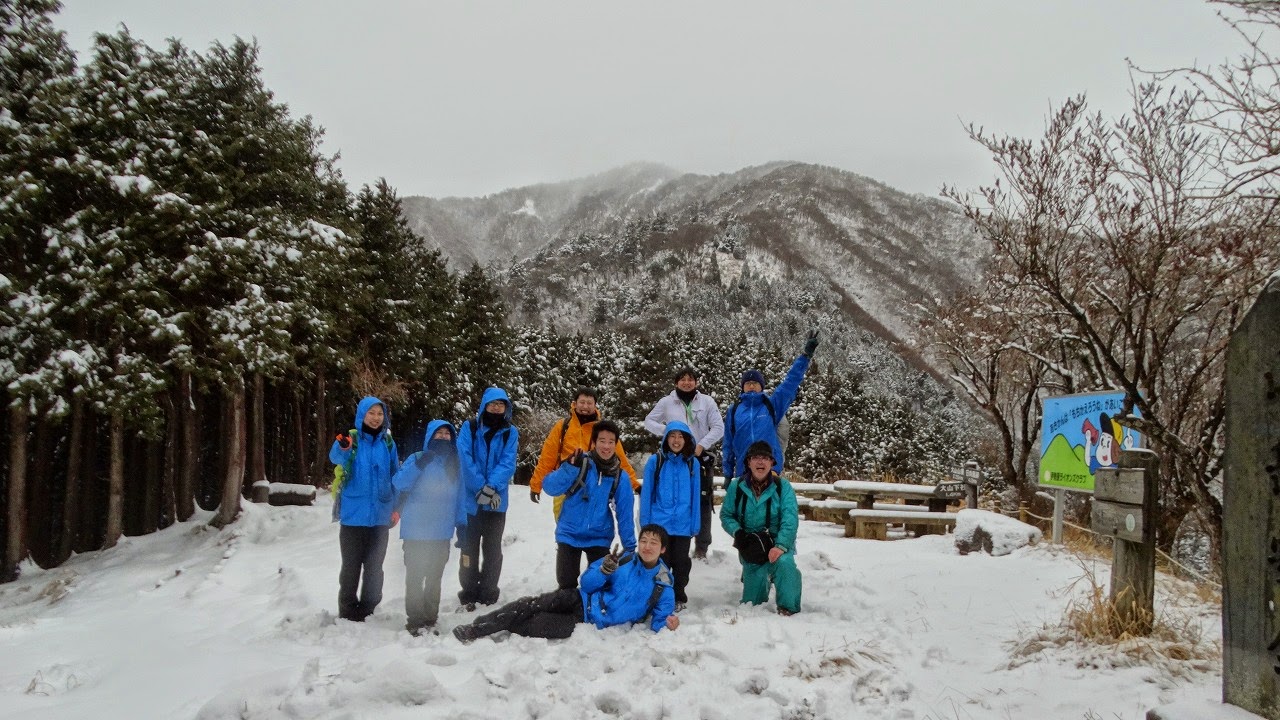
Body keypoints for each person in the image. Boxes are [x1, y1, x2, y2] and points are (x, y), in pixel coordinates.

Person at [452, 524, 679, 643]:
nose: (647, 546)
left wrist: (669, 624)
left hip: (586, 622)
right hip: (578, 597)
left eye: (653, 543)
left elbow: (660, 621)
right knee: (529, 604)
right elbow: (586, 584)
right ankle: (476, 629)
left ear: (662, 549)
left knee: (535, 624)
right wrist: (603, 571)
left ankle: (506, 624)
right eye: (643, 541)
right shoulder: (623, 559)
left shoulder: (663, 585)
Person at [390, 420, 468, 636]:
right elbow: (399, 483)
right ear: (430, 436)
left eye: (447, 434)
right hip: (416, 531)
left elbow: (461, 497)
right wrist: (419, 464)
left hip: (442, 532)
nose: (443, 437)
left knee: (434, 577)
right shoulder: (416, 458)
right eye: (438, 433)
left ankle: (430, 618)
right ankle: (415, 620)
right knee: (415, 577)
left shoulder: (455, 463)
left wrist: (462, 524)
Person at [542, 420, 637, 589]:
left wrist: (630, 547)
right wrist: (569, 468)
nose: (606, 446)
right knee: (566, 584)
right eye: (602, 441)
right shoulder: (580, 463)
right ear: (594, 442)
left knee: (599, 585)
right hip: (570, 533)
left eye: (611, 442)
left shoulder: (620, 476)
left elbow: (625, 513)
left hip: (599, 536)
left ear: (616, 445)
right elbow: (550, 487)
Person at [329, 395, 400, 621]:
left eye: (380, 414)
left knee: (374, 567)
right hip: (353, 516)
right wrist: (343, 447)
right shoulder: (351, 438)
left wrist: (396, 507)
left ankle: (369, 608)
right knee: (350, 567)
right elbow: (335, 457)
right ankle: (348, 611)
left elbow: (395, 476)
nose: (376, 418)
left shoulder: (388, 443)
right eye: (371, 413)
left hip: (380, 516)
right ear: (362, 414)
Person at [643, 365, 724, 560]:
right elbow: (649, 421)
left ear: (696, 382)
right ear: (676, 382)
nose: (687, 383)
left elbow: (718, 427)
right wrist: (668, 432)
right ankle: (669, 542)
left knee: (702, 502)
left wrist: (701, 445)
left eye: (690, 379)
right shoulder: (666, 402)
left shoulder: (706, 401)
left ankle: (701, 547)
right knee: (670, 498)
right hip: (673, 459)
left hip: (699, 459)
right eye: (682, 379)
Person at [722, 329, 820, 481]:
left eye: (755, 383)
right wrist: (728, 473)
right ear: (742, 387)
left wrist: (805, 357)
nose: (751, 386)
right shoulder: (734, 410)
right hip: (744, 472)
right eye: (748, 383)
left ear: (761, 386)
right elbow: (728, 443)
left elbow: (790, 383)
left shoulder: (771, 405)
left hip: (771, 470)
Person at [529, 387, 639, 518]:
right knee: (564, 524)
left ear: (595, 405)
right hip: (565, 485)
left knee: (590, 524)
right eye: (582, 402)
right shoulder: (563, 426)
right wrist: (536, 485)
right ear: (575, 403)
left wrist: (635, 485)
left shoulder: (602, 430)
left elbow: (620, 459)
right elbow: (547, 457)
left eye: (589, 403)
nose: (585, 406)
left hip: (593, 487)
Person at [720, 441, 801, 615]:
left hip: (777, 544)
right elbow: (726, 515)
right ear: (748, 462)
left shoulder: (783, 487)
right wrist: (737, 532)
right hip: (751, 547)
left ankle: (788, 608)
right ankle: (753, 577)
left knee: (785, 564)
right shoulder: (736, 486)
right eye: (755, 457)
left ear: (772, 463)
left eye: (765, 458)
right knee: (752, 604)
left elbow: (790, 519)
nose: (760, 462)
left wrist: (780, 546)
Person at [456, 387, 519, 609]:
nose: (496, 408)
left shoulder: (510, 432)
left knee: (493, 550)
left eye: (501, 405)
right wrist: (480, 487)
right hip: (470, 502)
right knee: (468, 548)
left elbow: (508, 462)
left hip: (496, 502)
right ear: (485, 405)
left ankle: (489, 592)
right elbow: (464, 458)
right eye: (493, 404)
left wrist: (491, 488)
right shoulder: (470, 427)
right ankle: (468, 592)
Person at [639, 421, 700, 611]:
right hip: (659, 524)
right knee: (660, 563)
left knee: (681, 562)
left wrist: (695, 524)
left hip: (683, 524)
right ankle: (660, 595)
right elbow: (647, 493)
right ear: (666, 438)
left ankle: (678, 595)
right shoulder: (655, 461)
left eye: (681, 436)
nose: (676, 440)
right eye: (672, 436)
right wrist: (645, 523)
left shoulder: (692, 463)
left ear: (687, 440)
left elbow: (696, 495)